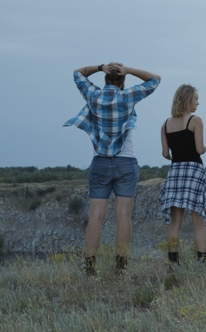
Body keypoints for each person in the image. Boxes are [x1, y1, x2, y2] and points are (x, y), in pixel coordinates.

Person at [64, 62, 161, 276]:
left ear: (105, 79)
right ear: (123, 80)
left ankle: (90, 267)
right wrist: (130, 69)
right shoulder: (128, 97)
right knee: (123, 215)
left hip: (100, 161)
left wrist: (100, 67)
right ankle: (121, 267)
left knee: (96, 216)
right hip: (126, 161)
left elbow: (77, 73)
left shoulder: (93, 95)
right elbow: (155, 79)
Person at [158, 84, 206, 265]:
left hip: (175, 172)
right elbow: (200, 149)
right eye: (196, 99)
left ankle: (174, 262)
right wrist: (204, 147)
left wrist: (176, 157)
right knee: (198, 219)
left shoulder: (165, 125)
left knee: (175, 222)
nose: (198, 102)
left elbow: (165, 154)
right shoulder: (195, 120)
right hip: (193, 171)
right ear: (188, 99)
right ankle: (201, 261)